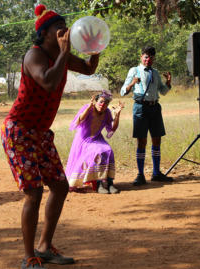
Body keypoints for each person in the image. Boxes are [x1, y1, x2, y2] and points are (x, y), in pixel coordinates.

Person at [1, 4, 101, 269]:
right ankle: (29, 258)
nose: (65, 31)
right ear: (44, 33)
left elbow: (90, 69)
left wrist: (95, 46)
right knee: (33, 192)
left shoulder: (62, 57)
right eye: (59, 27)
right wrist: (66, 54)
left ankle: (44, 247)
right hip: (19, 131)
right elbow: (46, 81)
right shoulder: (34, 55)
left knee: (59, 186)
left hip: (41, 134)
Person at [120, 46, 173, 186]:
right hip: (140, 108)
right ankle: (140, 174)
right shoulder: (134, 70)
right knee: (141, 141)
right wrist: (132, 83)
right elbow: (122, 91)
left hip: (155, 107)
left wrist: (168, 82)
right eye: (146, 57)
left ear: (154, 59)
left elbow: (163, 91)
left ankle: (156, 173)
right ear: (141, 57)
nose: (148, 60)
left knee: (157, 140)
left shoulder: (155, 73)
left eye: (151, 57)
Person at [65, 91, 124, 194]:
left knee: (108, 150)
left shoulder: (107, 113)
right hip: (84, 140)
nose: (103, 105)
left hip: (97, 138)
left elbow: (111, 131)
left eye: (106, 103)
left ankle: (109, 183)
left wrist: (117, 115)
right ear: (95, 101)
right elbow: (78, 121)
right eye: (101, 102)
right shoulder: (88, 108)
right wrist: (88, 108)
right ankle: (99, 184)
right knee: (98, 151)